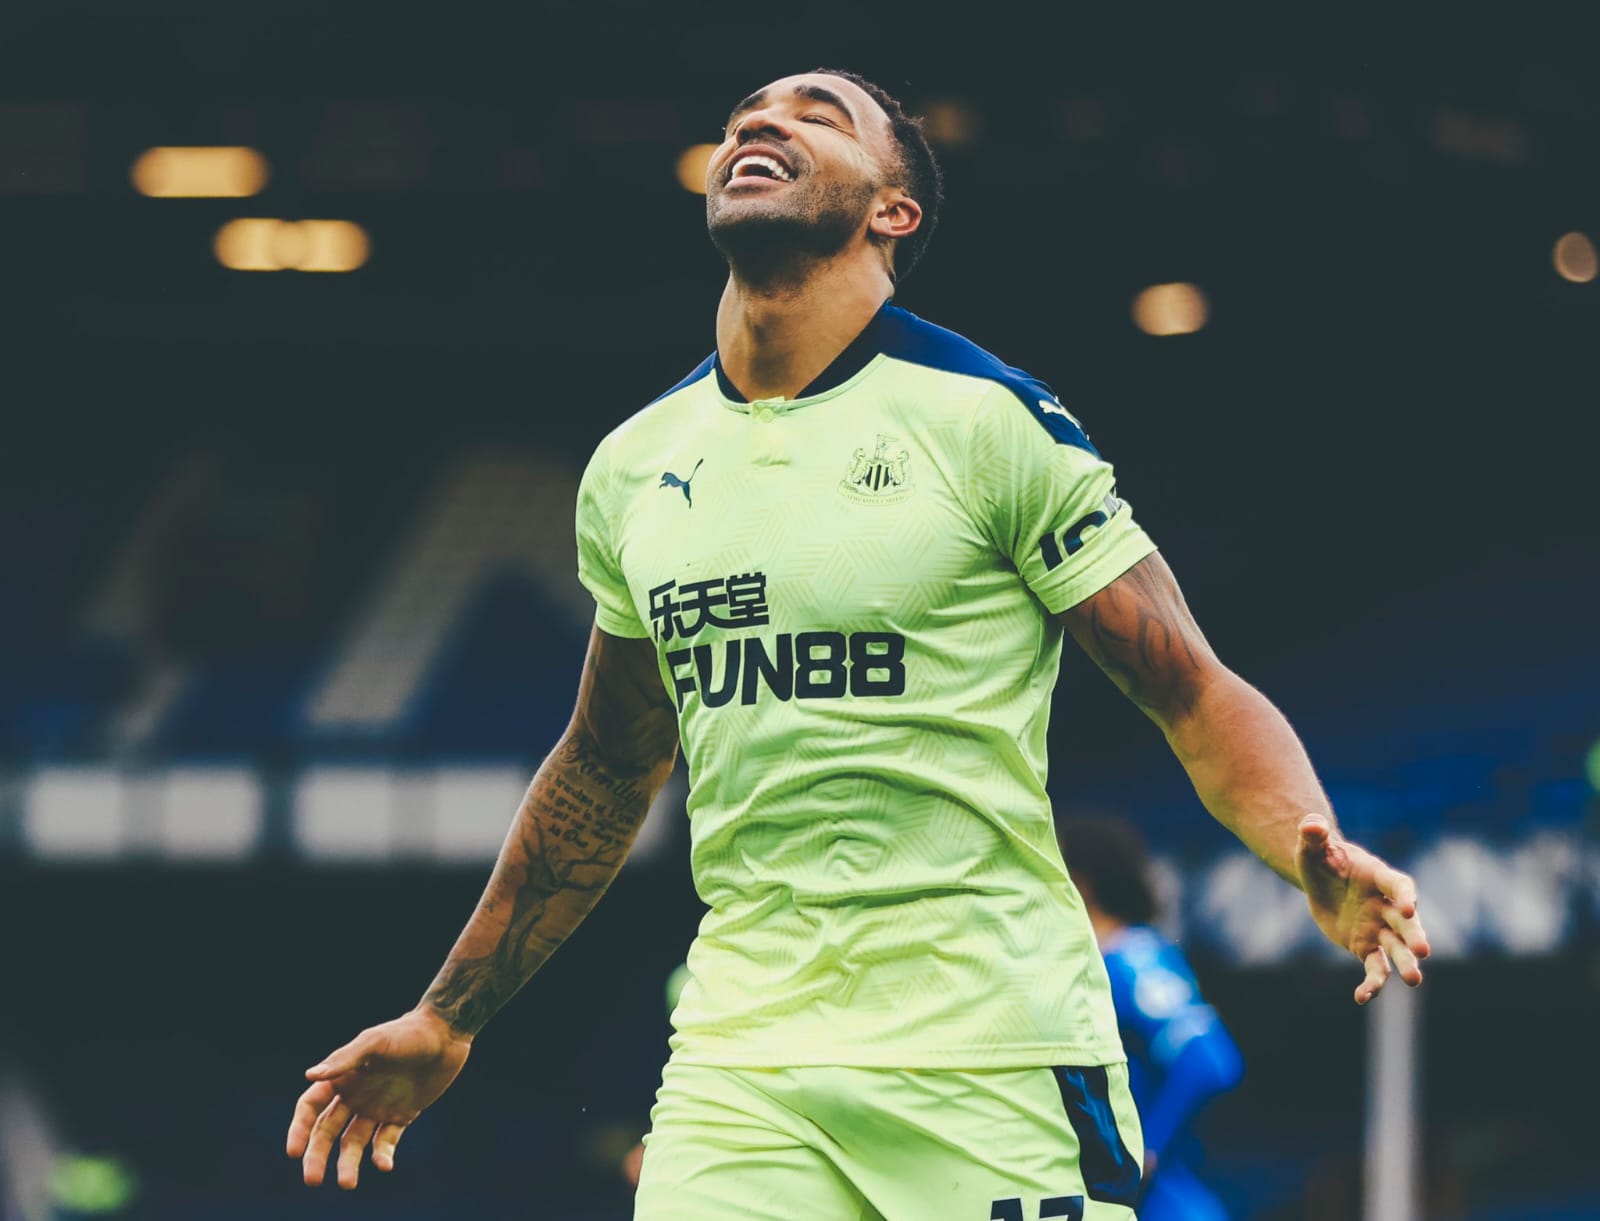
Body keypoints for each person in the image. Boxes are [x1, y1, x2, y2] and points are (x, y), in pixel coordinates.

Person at [286, 69, 1431, 1218]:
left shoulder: (986, 419)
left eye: (816, 115)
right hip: (742, 1068)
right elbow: (604, 763)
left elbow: (1188, 688)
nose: (761, 121)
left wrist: (1307, 849)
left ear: (895, 209)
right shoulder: (635, 467)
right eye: (744, 117)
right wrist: (448, 1015)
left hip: (991, 1054)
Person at [1057, 816, 1244, 1221]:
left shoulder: (1129, 961)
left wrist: (1145, 1154)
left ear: (1081, 882)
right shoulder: (1121, 957)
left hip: (1160, 1204)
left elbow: (1209, 1059)